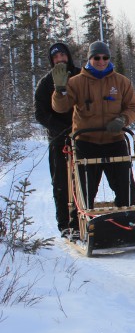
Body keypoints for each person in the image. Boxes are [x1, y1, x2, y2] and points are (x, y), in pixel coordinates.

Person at [50, 40, 135, 210]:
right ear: (89, 59)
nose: (101, 61)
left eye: (105, 57)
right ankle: (80, 225)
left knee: (126, 188)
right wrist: (60, 90)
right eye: (96, 58)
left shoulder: (121, 82)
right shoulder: (76, 82)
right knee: (85, 190)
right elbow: (60, 108)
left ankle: (129, 219)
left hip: (114, 141)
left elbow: (132, 107)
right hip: (86, 142)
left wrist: (123, 119)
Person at [34, 42, 82, 237]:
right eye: (56, 57)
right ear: (51, 61)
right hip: (58, 139)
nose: (60, 59)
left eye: (62, 56)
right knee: (61, 181)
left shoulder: (80, 75)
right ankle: (65, 223)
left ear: (68, 56)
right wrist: (59, 129)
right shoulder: (46, 83)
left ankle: (81, 218)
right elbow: (40, 113)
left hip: (82, 135)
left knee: (83, 179)